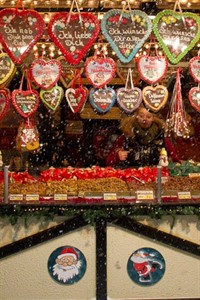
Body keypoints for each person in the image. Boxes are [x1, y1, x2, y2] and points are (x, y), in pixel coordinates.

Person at [106, 106, 180, 168]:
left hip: (156, 176)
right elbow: (109, 160)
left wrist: (170, 163)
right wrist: (117, 155)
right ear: (136, 117)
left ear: (153, 118)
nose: (144, 119)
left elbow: (175, 160)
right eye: (141, 116)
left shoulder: (161, 137)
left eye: (148, 116)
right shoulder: (126, 136)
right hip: (132, 176)